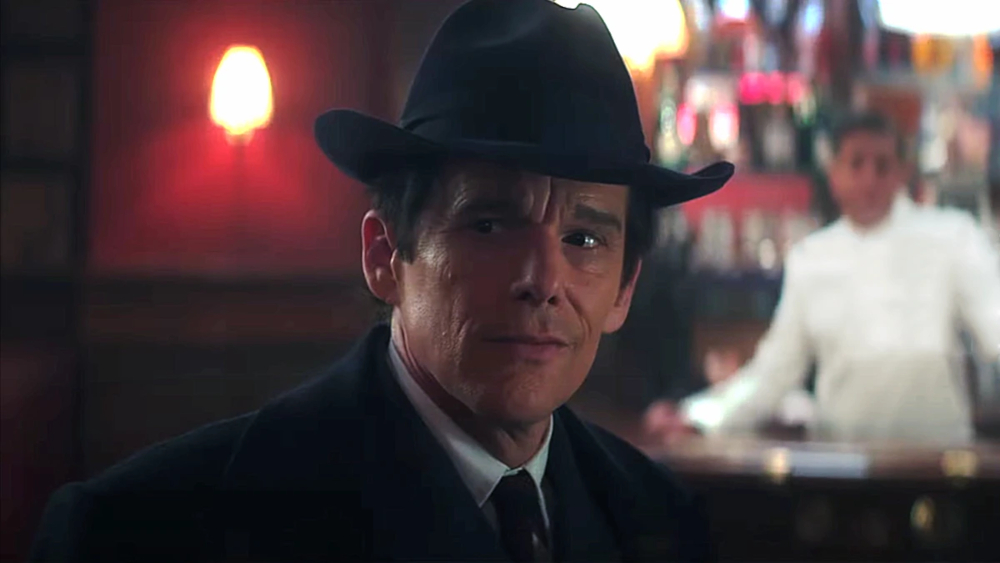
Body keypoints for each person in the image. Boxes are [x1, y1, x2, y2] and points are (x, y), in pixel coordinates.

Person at [30, 1, 735, 561]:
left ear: (624, 289)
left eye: (583, 239)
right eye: (490, 224)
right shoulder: (146, 531)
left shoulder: (658, 519)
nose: (542, 280)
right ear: (383, 254)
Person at [668, 112, 1000, 444]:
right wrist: (698, 416)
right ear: (834, 174)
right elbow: (775, 371)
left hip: (940, 457)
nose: (869, 179)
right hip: (842, 458)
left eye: (882, 165)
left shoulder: (953, 236)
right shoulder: (811, 258)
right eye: (856, 164)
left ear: (902, 173)